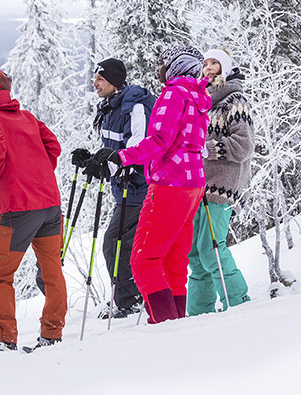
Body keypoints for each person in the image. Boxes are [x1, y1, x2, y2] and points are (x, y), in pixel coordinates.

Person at [91, 46, 211, 324]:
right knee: (172, 258)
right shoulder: (198, 96)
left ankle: (164, 323)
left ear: (175, 66)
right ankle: (176, 321)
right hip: (193, 183)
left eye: (164, 62)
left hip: (170, 181)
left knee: (143, 259)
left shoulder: (173, 94)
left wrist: (121, 156)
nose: (160, 68)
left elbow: (159, 141)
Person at [0, 69, 67, 353]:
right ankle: (52, 334)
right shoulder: (26, 117)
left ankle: (5, 340)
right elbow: (53, 145)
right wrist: (37, 170)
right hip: (50, 204)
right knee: (52, 270)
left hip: (18, 209)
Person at [82, 58, 155, 320]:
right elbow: (114, 149)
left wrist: (110, 167)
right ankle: (131, 297)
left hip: (138, 188)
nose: (95, 83)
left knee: (115, 243)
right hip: (124, 186)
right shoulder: (112, 107)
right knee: (119, 244)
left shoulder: (134, 106)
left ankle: (130, 299)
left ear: (113, 80)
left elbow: (138, 146)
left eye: (100, 79)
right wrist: (94, 160)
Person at [186, 48, 254, 315]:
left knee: (210, 248)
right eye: (205, 63)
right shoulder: (201, 101)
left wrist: (206, 149)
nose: (209, 67)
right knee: (195, 253)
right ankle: (198, 313)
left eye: (215, 63)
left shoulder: (235, 100)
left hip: (223, 184)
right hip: (198, 186)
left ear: (225, 68)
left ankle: (237, 302)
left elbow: (244, 144)